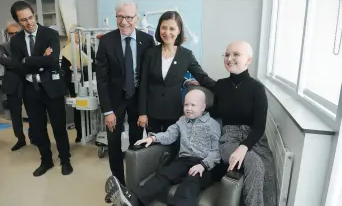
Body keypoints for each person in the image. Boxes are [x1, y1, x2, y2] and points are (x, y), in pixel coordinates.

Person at [106, 89, 221, 206]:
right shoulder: (182, 121)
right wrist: (153, 138)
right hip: (184, 160)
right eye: (186, 104)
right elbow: (170, 134)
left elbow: (216, 152)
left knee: (191, 182)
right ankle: (133, 199)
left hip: (203, 165)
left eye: (193, 105)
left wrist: (203, 165)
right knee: (164, 174)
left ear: (203, 107)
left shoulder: (212, 125)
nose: (188, 108)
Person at [96, 0, 155, 197]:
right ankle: (117, 185)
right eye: (120, 17)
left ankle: (134, 184)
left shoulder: (147, 41)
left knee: (136, 141)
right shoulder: (106, 41)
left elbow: (150, 75)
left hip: (138, 99)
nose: (124, 22)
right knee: (113, 142)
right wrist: (107, 111)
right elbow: (102, 79)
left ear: (136, 18)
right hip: (114, 101)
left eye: (128, 17)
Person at [10, 1, 73, 176]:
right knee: (38, 128)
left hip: (52, 88)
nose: (29, 23)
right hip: (31, 89)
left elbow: (52, 61)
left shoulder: (50, 34)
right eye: (23, 20)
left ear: (34, 15)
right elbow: (17, 67)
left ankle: (65, 160)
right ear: (18, 21)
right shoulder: (16, 41)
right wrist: (40, 59)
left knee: (59, 126)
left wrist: (28, 60)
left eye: (31, 17)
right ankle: (46, 161)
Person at [212, 41, 277, 206]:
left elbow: (259, 127)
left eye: (236, 54)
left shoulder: (257, 88)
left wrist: (244, 147)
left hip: (254, 138)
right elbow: (215, 113)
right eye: (227, 54)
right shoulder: (220, 85)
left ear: (248, 60)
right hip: (229, 139)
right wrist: (193, 109)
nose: (230, 58)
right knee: (254, 164)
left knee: (268, 171)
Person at [137, 11, 215, 136]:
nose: (167, 32)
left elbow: (202, 77)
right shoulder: (150, 53)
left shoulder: (186, 55)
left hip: (174, 112)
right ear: (159, 29)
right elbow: (143, 84)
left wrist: (223, 88)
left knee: (172, 149)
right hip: (151, 112)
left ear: (179, 31)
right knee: (153, 149)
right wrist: (142, 113)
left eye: (172, 28)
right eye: (164, 28)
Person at [0, 21, 38, 151]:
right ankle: (20, 139)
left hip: (28, 83)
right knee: (15, 115)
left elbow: (32, 61)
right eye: (10, 33)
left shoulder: (27, 44)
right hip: (12, 85)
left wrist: (16, 62)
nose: (13, 35)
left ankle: (34, 137)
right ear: (7, 34)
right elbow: (4, 61)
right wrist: (21, 62)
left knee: (33, 113)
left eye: (15, 33)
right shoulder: (4, 46)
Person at [61, 24, 96, 143]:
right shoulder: (67, 49)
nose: (77, 35)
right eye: (75, 33)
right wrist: (71, 67)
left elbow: (94, 65)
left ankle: (91, 131)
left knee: (89, 106)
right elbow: (63, 69)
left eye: (79, 33)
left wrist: (82, 67)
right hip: (73, 83)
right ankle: (80, 133)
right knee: (78, 108)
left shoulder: (88, 47)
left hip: (87, 81)